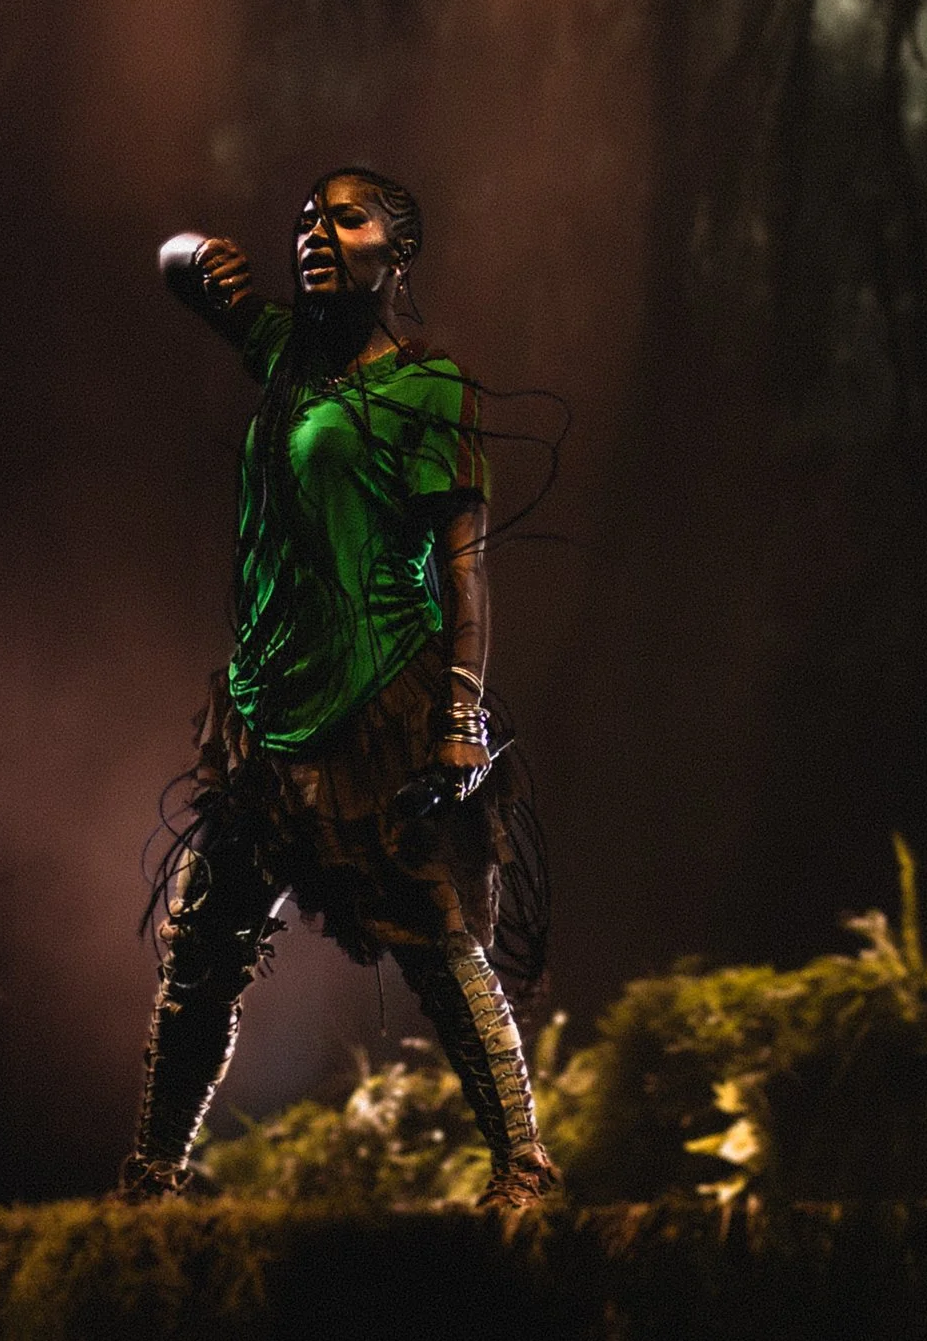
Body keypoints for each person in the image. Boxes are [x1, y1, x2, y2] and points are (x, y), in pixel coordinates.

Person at [121, 167, 556, 1208]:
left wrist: (459, 715)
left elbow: (464, 566)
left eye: (346, 217)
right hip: (269, 704)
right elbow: (172, 267)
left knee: (436, 941)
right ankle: (152, 1176)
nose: (315, 231)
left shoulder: (429, 385)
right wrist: (197, 256)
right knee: (205, 941)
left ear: (397, 250)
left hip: (382, 702)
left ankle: (523, 1166)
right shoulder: (286, 355)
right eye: (306, 218)